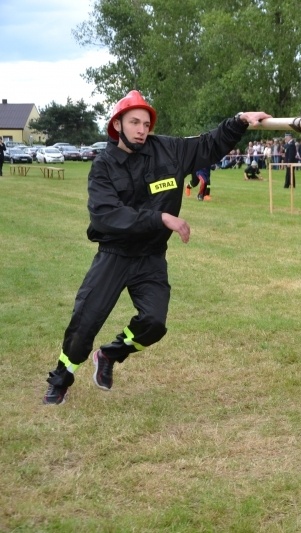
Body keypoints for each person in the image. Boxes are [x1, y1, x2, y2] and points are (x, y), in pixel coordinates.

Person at [42, 89, 270, 405]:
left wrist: (241, 121)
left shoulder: (169, 151)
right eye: (134, 122)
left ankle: (110, 354)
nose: (141, 129)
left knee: (154, 323)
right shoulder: (104, 166)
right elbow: (107, 216)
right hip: (115, 255)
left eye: (146, 123)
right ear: (117, 124)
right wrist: (161, 218)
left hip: (150, 257)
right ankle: (61, 380)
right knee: (85, 323)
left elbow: (208, 144)